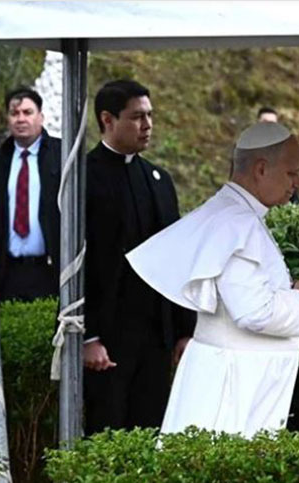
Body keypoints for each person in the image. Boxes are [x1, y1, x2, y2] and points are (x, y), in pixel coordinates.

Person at [126, 122, 299, 437]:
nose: (297, 182)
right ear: (260, 169)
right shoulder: (235, 223)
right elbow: (253, 312)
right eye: (291, 172)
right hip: (233, 383)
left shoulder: (233, 215)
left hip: (234, 374)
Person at [83, 79, 196, 435]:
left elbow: (176, 257)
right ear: (107, 119)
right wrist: (89, 336)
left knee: (151, 430)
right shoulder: (84, 178)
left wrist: (183, 330)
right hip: (110, 337)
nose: (147, 125)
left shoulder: (159, 180)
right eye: (136, 117)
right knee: (107, 431)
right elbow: (78, 261)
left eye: (150, 116)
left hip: (155, 335)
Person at [0, 87, 61, 301]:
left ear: (41, 117)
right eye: (14, 113)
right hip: (6, 274)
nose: (21, 119)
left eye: (27, 112)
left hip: (50, 271)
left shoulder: (62, 156)